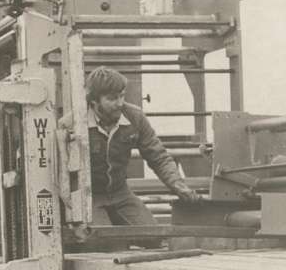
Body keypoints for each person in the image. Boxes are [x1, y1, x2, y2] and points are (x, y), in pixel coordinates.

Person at [60, 66, 198, 225]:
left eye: (122, 96)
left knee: (154, 237)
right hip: (88, 196)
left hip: (120, 193)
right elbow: (60, 175)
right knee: (101, 241)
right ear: (94, 101)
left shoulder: (135, 117)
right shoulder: (71, 125)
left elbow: (158, 156)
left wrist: (178, 185)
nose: (119, 103)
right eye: (112, 99)